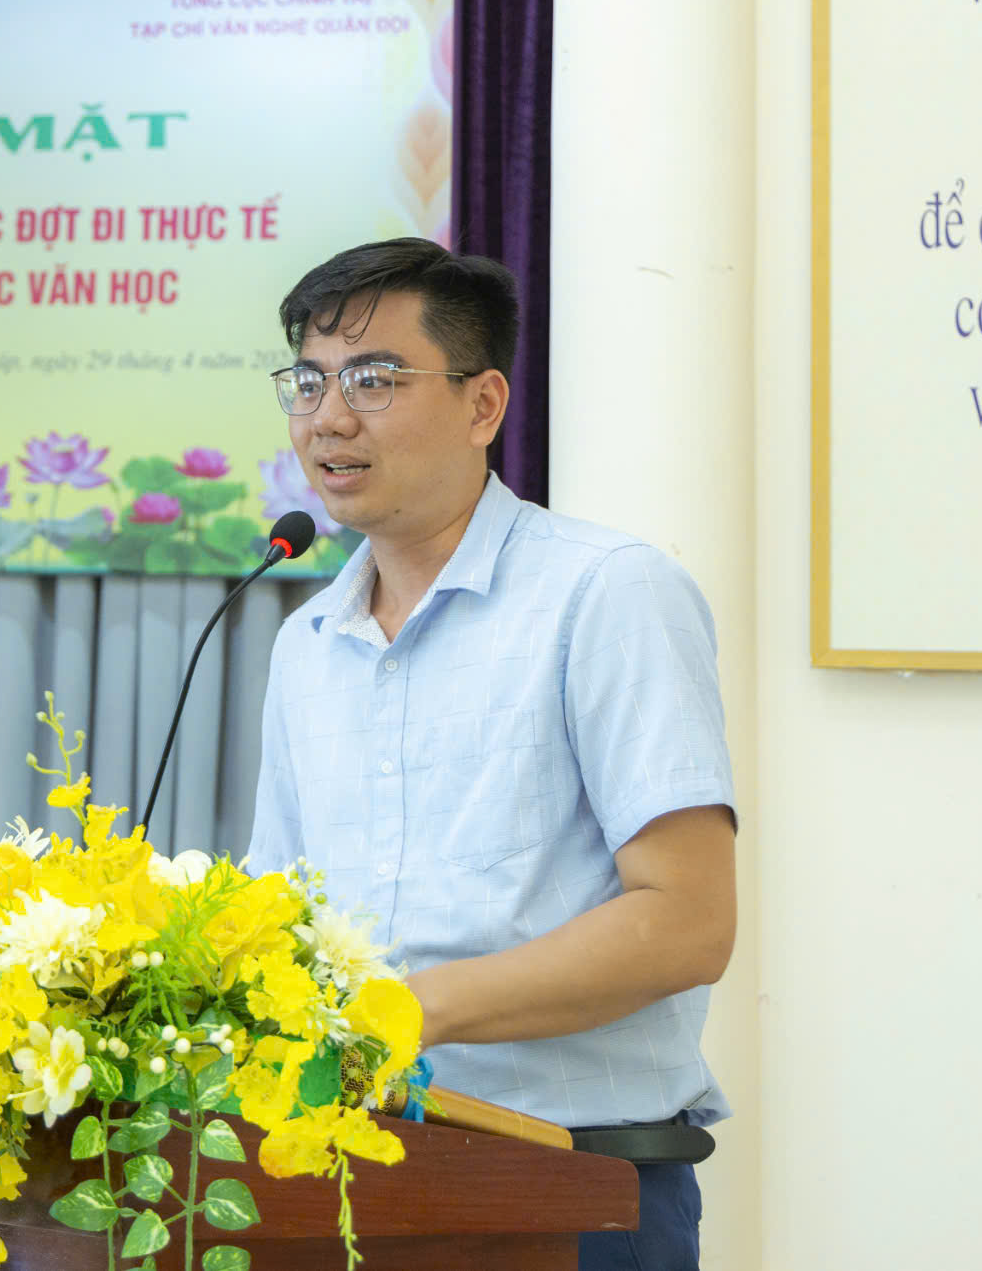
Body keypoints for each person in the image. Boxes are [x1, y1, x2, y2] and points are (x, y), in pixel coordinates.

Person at [244, 238, 736, 1271]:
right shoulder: (307, 642)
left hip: (569, 1190)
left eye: (374, 379)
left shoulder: (606, 593)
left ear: (482, 405)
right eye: (308, 380)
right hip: (339, 1189)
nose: (329, 416)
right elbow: (276, 920)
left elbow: (685, 921)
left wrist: (405, 1014)